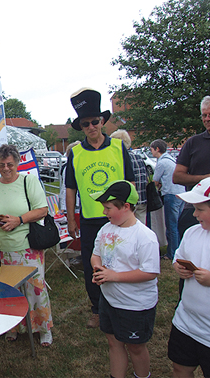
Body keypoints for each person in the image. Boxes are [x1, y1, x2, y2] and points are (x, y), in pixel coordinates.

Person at [65, 88, 135, 328]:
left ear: (103, 121)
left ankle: (123, 305)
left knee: (122, 261)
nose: (91, 126)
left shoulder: (118, 148)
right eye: (86, 124)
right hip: (91, 219)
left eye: (95, 121)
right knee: (91, 265)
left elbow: (131, 182)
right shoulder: (74, 153)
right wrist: (71, 220)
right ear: (81, 127)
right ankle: (97, 308)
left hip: (119, 219)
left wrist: (130, 212)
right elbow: (70, 188)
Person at [0, 144, 53, 347]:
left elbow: (42, 210)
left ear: (17, 163)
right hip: (1, 250)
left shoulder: (28, 181)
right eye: (2, 164)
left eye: (10, 164)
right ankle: (12, 327)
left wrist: (18, 220)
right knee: (8, 290)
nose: (6, 168)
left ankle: (43, 328)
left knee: (35, 289)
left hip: (27, 246)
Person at [90, 180, 160, 378]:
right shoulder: (106, 229)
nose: (105, 212)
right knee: (114, 342)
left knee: (136, 348)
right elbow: (96, 254)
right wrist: (98, 267)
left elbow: (150, 272)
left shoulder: (144, 237)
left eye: (108, 208)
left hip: (135, 305)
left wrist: (114, 276)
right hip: (110, 300)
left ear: (126, 207)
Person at [168, 177, 210, 378]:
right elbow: (179, 258)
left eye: (200, 209)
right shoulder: (193, 232)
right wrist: (179, 267)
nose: (194, 214)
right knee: (180, 367)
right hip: (186, 322)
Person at [173, 95, 210, 238]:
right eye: (204, 115)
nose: (207, 119)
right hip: (195, 207)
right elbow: (177, 176)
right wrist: (207, 179)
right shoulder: (193, 143)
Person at [150, 139, 185, 260]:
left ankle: (172, 253)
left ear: (157, 149)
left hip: (170, 194)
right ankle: (180, 249)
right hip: (181, 193)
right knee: (178, 224)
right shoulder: (171, 159)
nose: (151, 151)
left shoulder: (162, 162)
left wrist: (158, 186)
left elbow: (155, 180)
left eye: (152, 149)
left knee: (171, 225)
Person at [110, 129, 148, 224]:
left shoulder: (120, 159)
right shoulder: (139, 158)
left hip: (127, 202)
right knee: (141, 227)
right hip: (142, 198)